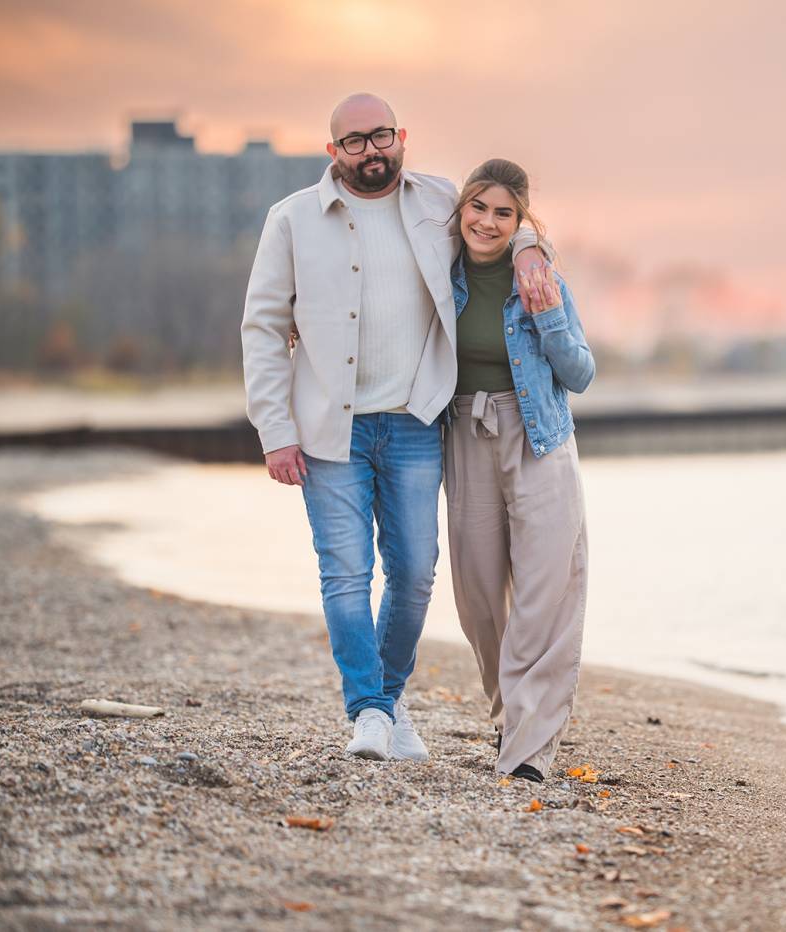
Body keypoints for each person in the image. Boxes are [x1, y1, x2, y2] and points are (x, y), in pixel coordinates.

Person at [240, 95, 549, 762]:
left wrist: (528, 247)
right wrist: (274, 429)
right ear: (334, 152)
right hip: (328, 429)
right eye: (354, 141)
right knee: (346, 574)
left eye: (381, 136)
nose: (370, 150)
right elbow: (263, 329)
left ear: (401, 137)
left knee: (413, 573)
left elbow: (497, 218)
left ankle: (385, 700)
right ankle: (371, 712)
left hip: (415, 419)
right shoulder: (291, 219)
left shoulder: (439, 201)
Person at [444, 159, 594, 782]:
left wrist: (548, 308)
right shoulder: (437, 269)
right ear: (462, 209)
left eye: (505, 213)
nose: (488, 221)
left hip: (540, 440)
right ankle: (511, 713)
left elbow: (580, 373)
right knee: (479, 595)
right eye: (479, 207)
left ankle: (531, 748)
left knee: (546, 591)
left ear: (520, 221)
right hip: (464, 434)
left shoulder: (538, 275)